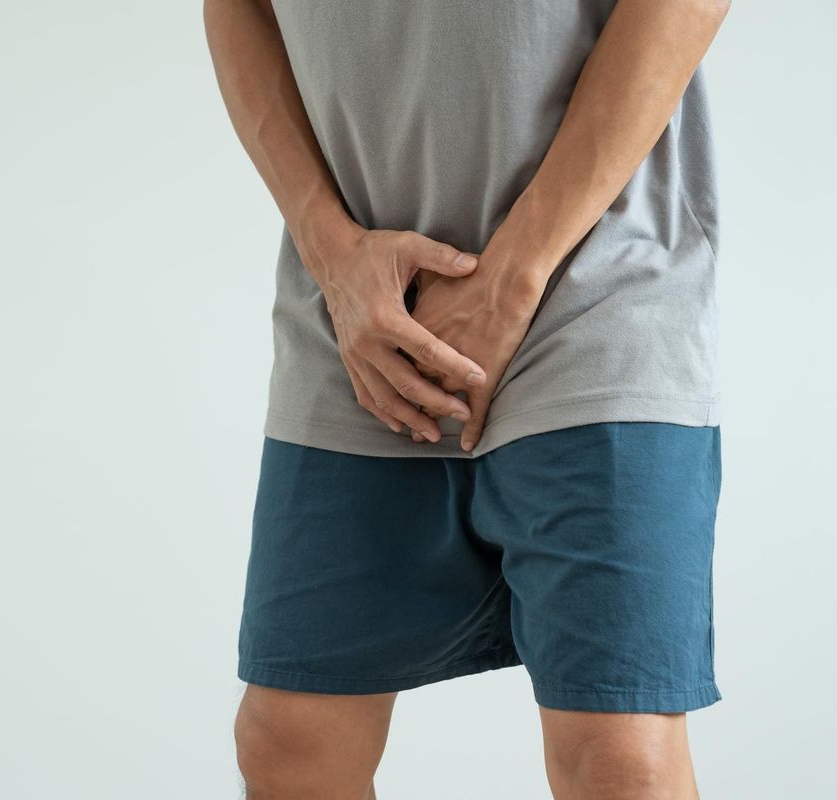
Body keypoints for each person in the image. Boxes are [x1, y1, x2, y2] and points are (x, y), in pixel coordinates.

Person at [204, 0, 732, 797]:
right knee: (290, 739)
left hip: (593, 281)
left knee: (620, 753)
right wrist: (331, 252)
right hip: (363, 313)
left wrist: (516, 272)